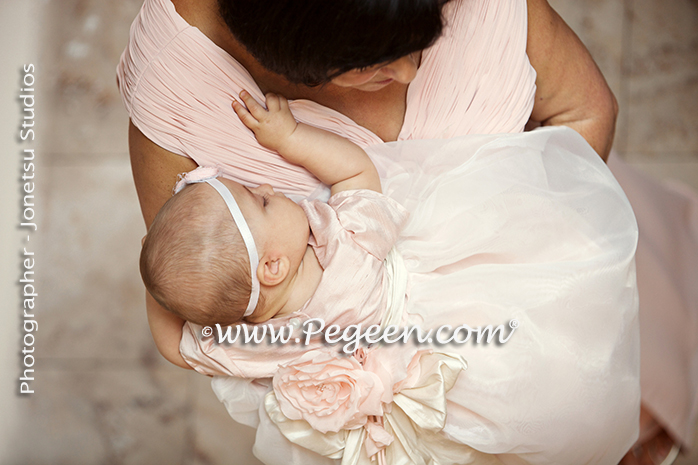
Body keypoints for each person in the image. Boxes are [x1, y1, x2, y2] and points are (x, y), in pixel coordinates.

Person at [117, 0, 697, 462]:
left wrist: (545, 263)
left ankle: (639, 408)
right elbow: (194, 277)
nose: (410, 70)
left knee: (628, 353)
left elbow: (180, 332)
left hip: (562, 270)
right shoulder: (180, 83)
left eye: (426, 35)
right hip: (450, 391)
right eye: (373, 63)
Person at [140, 90, 640, 464]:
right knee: (543, 345)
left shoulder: (240, 345)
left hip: (404, 395)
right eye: (264, 200)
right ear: (273, 267)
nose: (269, 184)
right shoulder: (347, 250)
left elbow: (172, 345)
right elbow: (356, 172)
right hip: (448, 321)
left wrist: (160, 282)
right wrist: (289, 137)